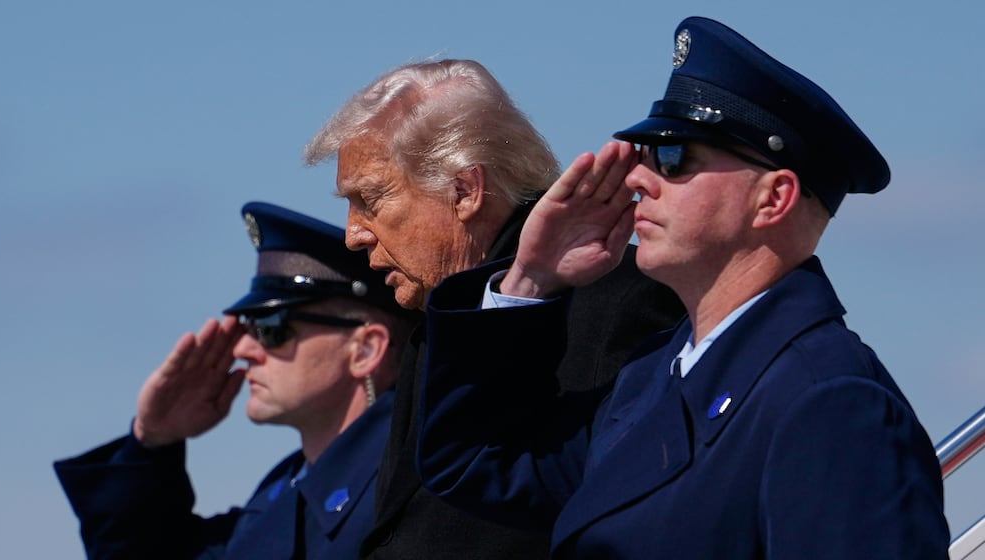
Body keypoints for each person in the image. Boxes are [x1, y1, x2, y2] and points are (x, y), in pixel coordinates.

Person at [414, 17, 951, 559]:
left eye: (673, 158)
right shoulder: (653, 378)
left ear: (773, 199)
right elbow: (476, 461)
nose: (637, 179)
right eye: (645, 156)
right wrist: (531, 278)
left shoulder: (831, 403)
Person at [304, 59, 685, 558]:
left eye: (370, 199)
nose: (353, 235)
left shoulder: (619, 300)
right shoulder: (440, 321)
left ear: (465, 191)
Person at [54, 201, 420, 559]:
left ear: (365, 350)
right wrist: (153, 442)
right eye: (248, 328)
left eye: (271, 328)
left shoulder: (416, 486)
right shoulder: (279, 498)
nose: (243, 348)